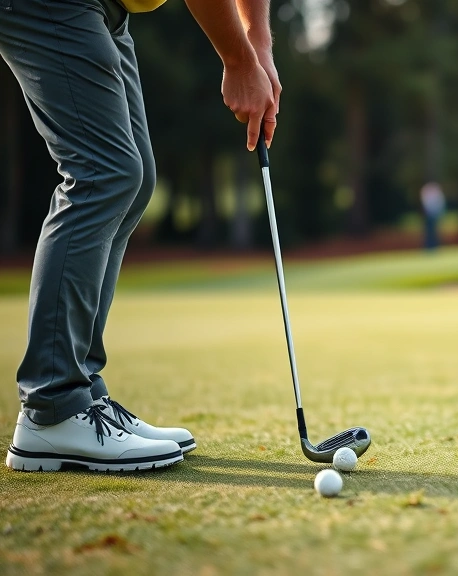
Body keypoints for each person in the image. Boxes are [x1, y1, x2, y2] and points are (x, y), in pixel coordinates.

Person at [1, 0, 280, 472]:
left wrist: (259, 45)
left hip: (106, 9)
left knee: (134, 178)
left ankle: (82, 393)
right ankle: (52, 407)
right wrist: (237, 61)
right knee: (102, 173)